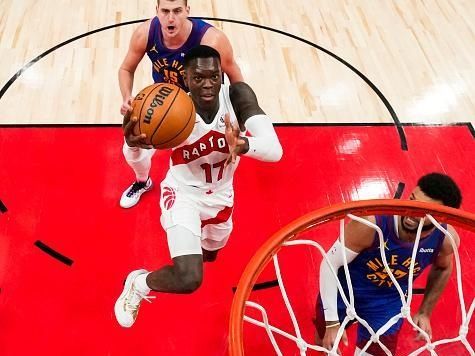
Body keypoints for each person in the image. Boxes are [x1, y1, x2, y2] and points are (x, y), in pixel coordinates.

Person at [114, 45, 283, 328]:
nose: (208, 84)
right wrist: (131, 144)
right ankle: (139, 284)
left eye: (214, 76)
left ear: (221, 76)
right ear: (186, 78)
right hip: (182, 194)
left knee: (211, 255)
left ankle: (190, 250)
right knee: (189, 277)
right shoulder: (173, 112)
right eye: (199, 77)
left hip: (221, 196)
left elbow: (275, 150)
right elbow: (138, 155)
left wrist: (243, 144)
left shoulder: (237, 96)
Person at [315, 173, 462, 355]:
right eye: (412, 200)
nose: (411, 213)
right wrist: (331, 322)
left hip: (387, 303)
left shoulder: (446, 239)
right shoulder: (370, 224)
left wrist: (425, 311)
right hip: (343, 293)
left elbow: (443, 267)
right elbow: (329, 264)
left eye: (424, 211)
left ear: (441, 219)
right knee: (326, 347)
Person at [119, 0, 244, 208]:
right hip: (166, 106)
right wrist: (126, 96)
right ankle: (142, 182)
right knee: (131, 145)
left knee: (207, 164)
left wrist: (242, 115)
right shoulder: (145, 34)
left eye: (177, 11)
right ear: (156, 11)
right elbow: (125, 69)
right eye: (165, 11)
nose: (171, 18)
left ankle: (211, 196)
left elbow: (235, 76)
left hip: (205, 108)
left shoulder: (211, 39)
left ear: (187, 11)